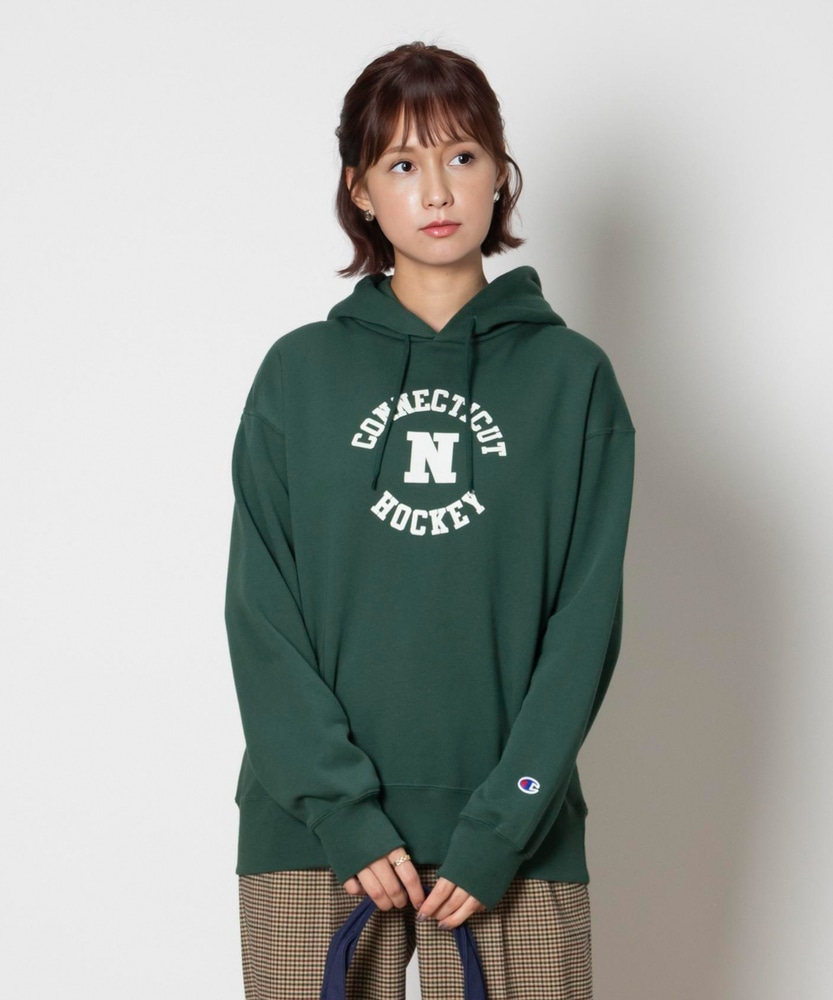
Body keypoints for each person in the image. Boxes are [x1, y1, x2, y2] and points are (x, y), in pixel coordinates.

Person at [225, 40, 635, 1000]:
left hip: (513, 841)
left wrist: (503, 824)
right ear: (360, 190)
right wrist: (340, 809)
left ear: (499, 173)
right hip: (311, 834)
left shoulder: (571, 379)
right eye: (402, 164)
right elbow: (260, 611)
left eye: (461, 155)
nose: (438, 189)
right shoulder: (299, 374)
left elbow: (584, 625)